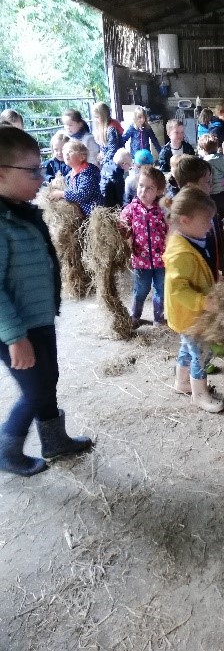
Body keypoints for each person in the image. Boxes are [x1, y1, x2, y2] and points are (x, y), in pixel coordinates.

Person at [0, 125, 92, 476]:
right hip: (16, 326)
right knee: (35, 387)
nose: (41, 177)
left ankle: (54, 440)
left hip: (36, 318)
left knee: (47, 377)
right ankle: (7, 447)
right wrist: (14, 337)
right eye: (32, 170)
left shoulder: (22, 210)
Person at [163, 187, 224, 413]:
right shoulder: (181, 253)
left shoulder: (190, 239)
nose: (210, 227)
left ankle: (182, 383)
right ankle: (200, 394)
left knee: (186, 348)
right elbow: (179, 289)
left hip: (188, 314)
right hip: (190, 315)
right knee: (201, 353)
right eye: (206, 222)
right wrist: (203, 302)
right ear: (186, 221)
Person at [120, 166, 167, 328]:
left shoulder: (163, 210)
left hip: (162, 260)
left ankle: (158, 318)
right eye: (141, 185)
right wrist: (122, 231)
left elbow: (170, 229)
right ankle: (135, 315)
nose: (143, 191)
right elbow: (122, 227)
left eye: (150, 188)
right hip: (141, 260)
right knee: (141, 290)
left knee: (161, 290)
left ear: (159, 191)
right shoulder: (131, 209)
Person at [48, 139, 103, 217]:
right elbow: (70, 189)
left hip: (92, 214)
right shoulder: (71, 173)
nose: (66, 154)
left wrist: (61, 194)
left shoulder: (88, 172)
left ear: (81, 157)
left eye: (70, 152)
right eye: (65, 152)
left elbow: (82, 195)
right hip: (81, 213)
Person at [198, 133, 224, 223]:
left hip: (211, 193)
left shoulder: (206, 162)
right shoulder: (222, 158)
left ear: (204, 149)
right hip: (222, 192)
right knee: (220, 217)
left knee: (213, 219)